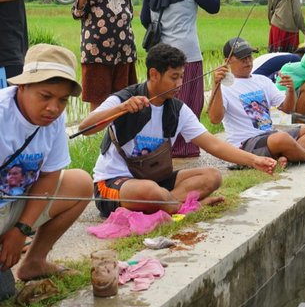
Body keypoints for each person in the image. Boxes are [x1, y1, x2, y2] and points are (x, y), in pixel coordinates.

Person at [79, 43, 277, 218]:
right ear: (154, 74)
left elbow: (213, 144)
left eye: (181, 77)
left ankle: (168, 205)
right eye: (174, 78)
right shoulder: (124, 99)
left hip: (156, 181)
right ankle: (182, 206)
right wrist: (120, 109)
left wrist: (254, 160)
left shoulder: (178, 109)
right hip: (115, 184)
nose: (179, 84)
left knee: (212, 176)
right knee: (149, 191)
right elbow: (85, 128)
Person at [0, 44, 92, 290]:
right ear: (22, 87)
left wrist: (21, 230)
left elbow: (50, 176)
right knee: (5, 294)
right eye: (45, 96)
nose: (54, 107)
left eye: (62, 100)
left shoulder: (53, 119)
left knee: (80, 183)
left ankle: (34, 261)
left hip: (13, 204)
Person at [141, 0, 220, 158]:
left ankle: (163, 147)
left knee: (162, 101)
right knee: (189, 101)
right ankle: (184, 148)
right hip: (188, 53)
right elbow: (213, 6)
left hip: (161, 55)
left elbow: (144, 20)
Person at [208, 38, 305, 166]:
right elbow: (215, 119)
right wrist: (216, 86)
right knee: (282, 138)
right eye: (242, 58)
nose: (248, 61)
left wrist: (291, 91)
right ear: (227, 61)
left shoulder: (261, 80)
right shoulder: (224, 88)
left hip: (269, 135)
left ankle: (285, 157)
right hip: (246, 144)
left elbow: (288, 110)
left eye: (249, 57)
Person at [72, 0, 137, 112]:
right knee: (98, 98)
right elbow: (77, 13)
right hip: (97, 55)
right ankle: (97, 133)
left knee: (123, 97)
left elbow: (130, 16)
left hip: (124, 54)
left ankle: (116, 134)